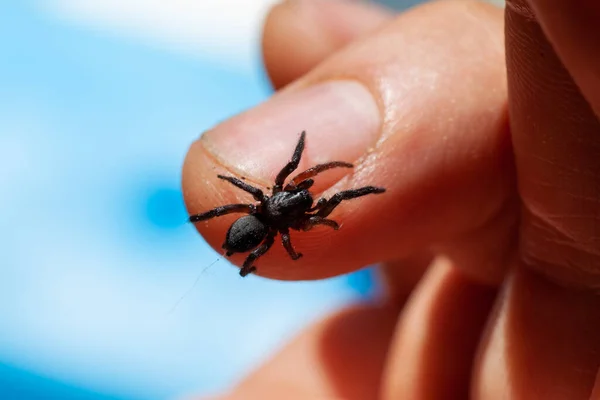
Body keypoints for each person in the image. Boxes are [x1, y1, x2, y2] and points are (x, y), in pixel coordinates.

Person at [182, 0, 600, 398]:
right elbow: (292, 198)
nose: (303, 193)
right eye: (298, 193)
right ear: (276, 202)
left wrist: (323, 209)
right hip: (259, 224)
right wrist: (298, 222)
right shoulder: (276, 216)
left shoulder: (277, 208)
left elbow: (297, 206)